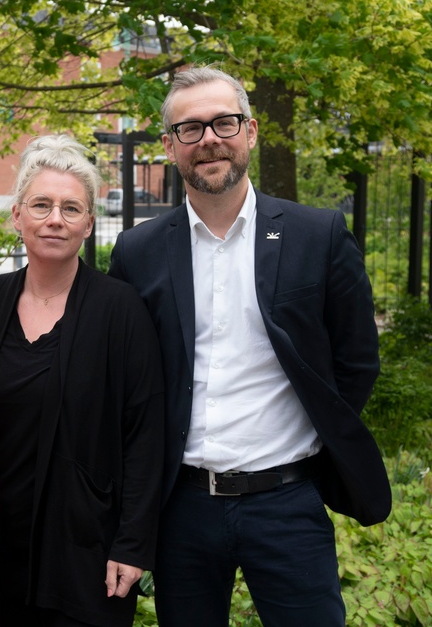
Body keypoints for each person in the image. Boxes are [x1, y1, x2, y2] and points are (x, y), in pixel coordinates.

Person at [108, 67, 392, 627]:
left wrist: (318, 432)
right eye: (189, 129)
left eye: (223, 122)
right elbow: (130, 382)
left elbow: (357, 361)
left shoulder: (319, 234)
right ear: (169, 146)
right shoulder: (136, 252)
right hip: (181, 507)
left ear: (251, 131)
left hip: (286, 501)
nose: (209, 139)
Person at [0, 134, 164, 627]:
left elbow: (147, 433)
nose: (56, 219)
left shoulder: (121, 309)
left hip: (85, 550)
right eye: (42, 205)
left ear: (89, 223)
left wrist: (133, 543)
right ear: (17, 215)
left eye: (71, 208)